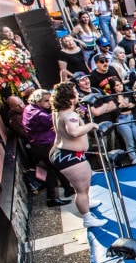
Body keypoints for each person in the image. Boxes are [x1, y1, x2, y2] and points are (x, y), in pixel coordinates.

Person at [49, 82, 106, 227]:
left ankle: (87, 203)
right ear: (69, 97)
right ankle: (87, 218)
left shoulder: (58, 111)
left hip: (62, 152)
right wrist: (91, 125)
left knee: (82, 188)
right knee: (81, 190)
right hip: (70, 156)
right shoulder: (70, 115)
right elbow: (74, 132)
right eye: (75, 92)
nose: (77, 94)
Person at [22, 89, 73, 206]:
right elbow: (52, 120)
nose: (49, 103)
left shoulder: (30, 109)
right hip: (43, 145)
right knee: (52, 170)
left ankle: (67, 189)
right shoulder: (36, 113)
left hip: (40, 144)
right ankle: (52, 198)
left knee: (56, 166)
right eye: (46, 101)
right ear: (38, 101)